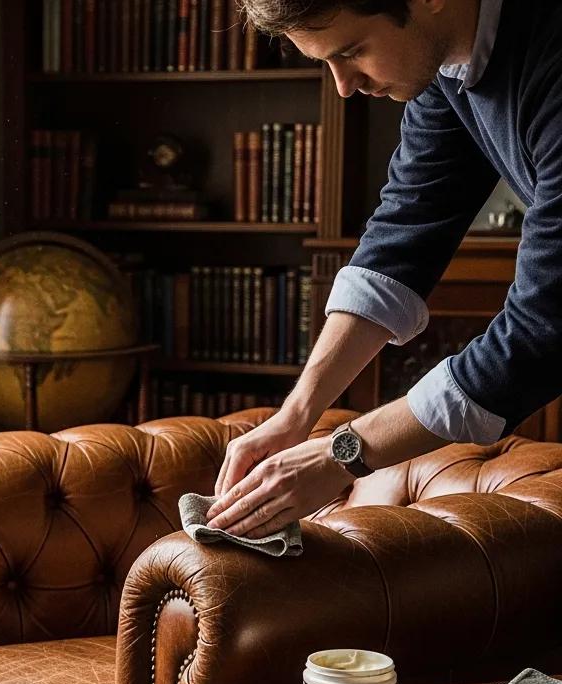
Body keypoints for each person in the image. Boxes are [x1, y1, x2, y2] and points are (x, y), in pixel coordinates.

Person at [205, 0, 562, 536]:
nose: (343, 87)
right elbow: (404, 233)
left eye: (351, 52)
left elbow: (542, 331)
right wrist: (295, 416)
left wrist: (342, 455)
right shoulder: (446, 64)